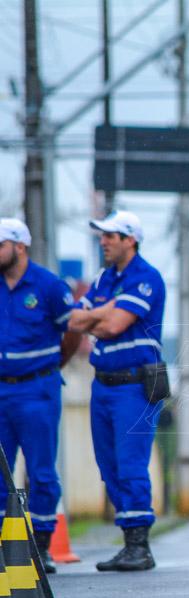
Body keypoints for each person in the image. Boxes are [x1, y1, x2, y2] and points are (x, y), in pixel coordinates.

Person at [68, 210, 166, 572]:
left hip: (134, 386)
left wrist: (100, 312)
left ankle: (140, 545)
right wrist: (103, 309)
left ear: (131, 240)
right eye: (102, 235)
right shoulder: (105, 278)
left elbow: (111, 327)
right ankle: (128, 542)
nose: (103, 241)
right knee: (108, 467)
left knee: (130, 465)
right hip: (104, 385)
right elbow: (74, 320)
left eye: (111, 236)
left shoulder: (146, 277)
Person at [0, 218, 81, 574]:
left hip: (37, 389)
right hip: (1, 389)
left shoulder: (49, 286)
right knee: (1, 473)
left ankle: (43, 545)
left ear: (20, 246)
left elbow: (73, 331)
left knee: (41, 472)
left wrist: (52, 366)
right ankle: (6, 548)